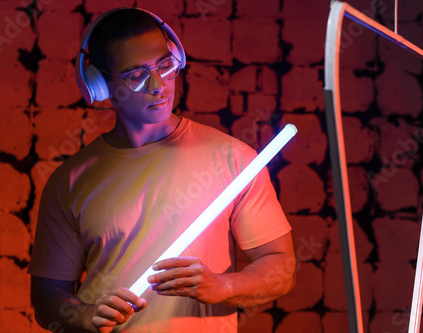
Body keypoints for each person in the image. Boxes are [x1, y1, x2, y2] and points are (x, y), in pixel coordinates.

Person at [28, 7, 295, 333]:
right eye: (136, 75)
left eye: (165, 66)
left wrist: (222, 286)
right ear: (100, 85)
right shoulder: (70, 180)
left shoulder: (233, 159)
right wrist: (84, 317)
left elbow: (281, 267)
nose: (158, 85)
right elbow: (46, 296)